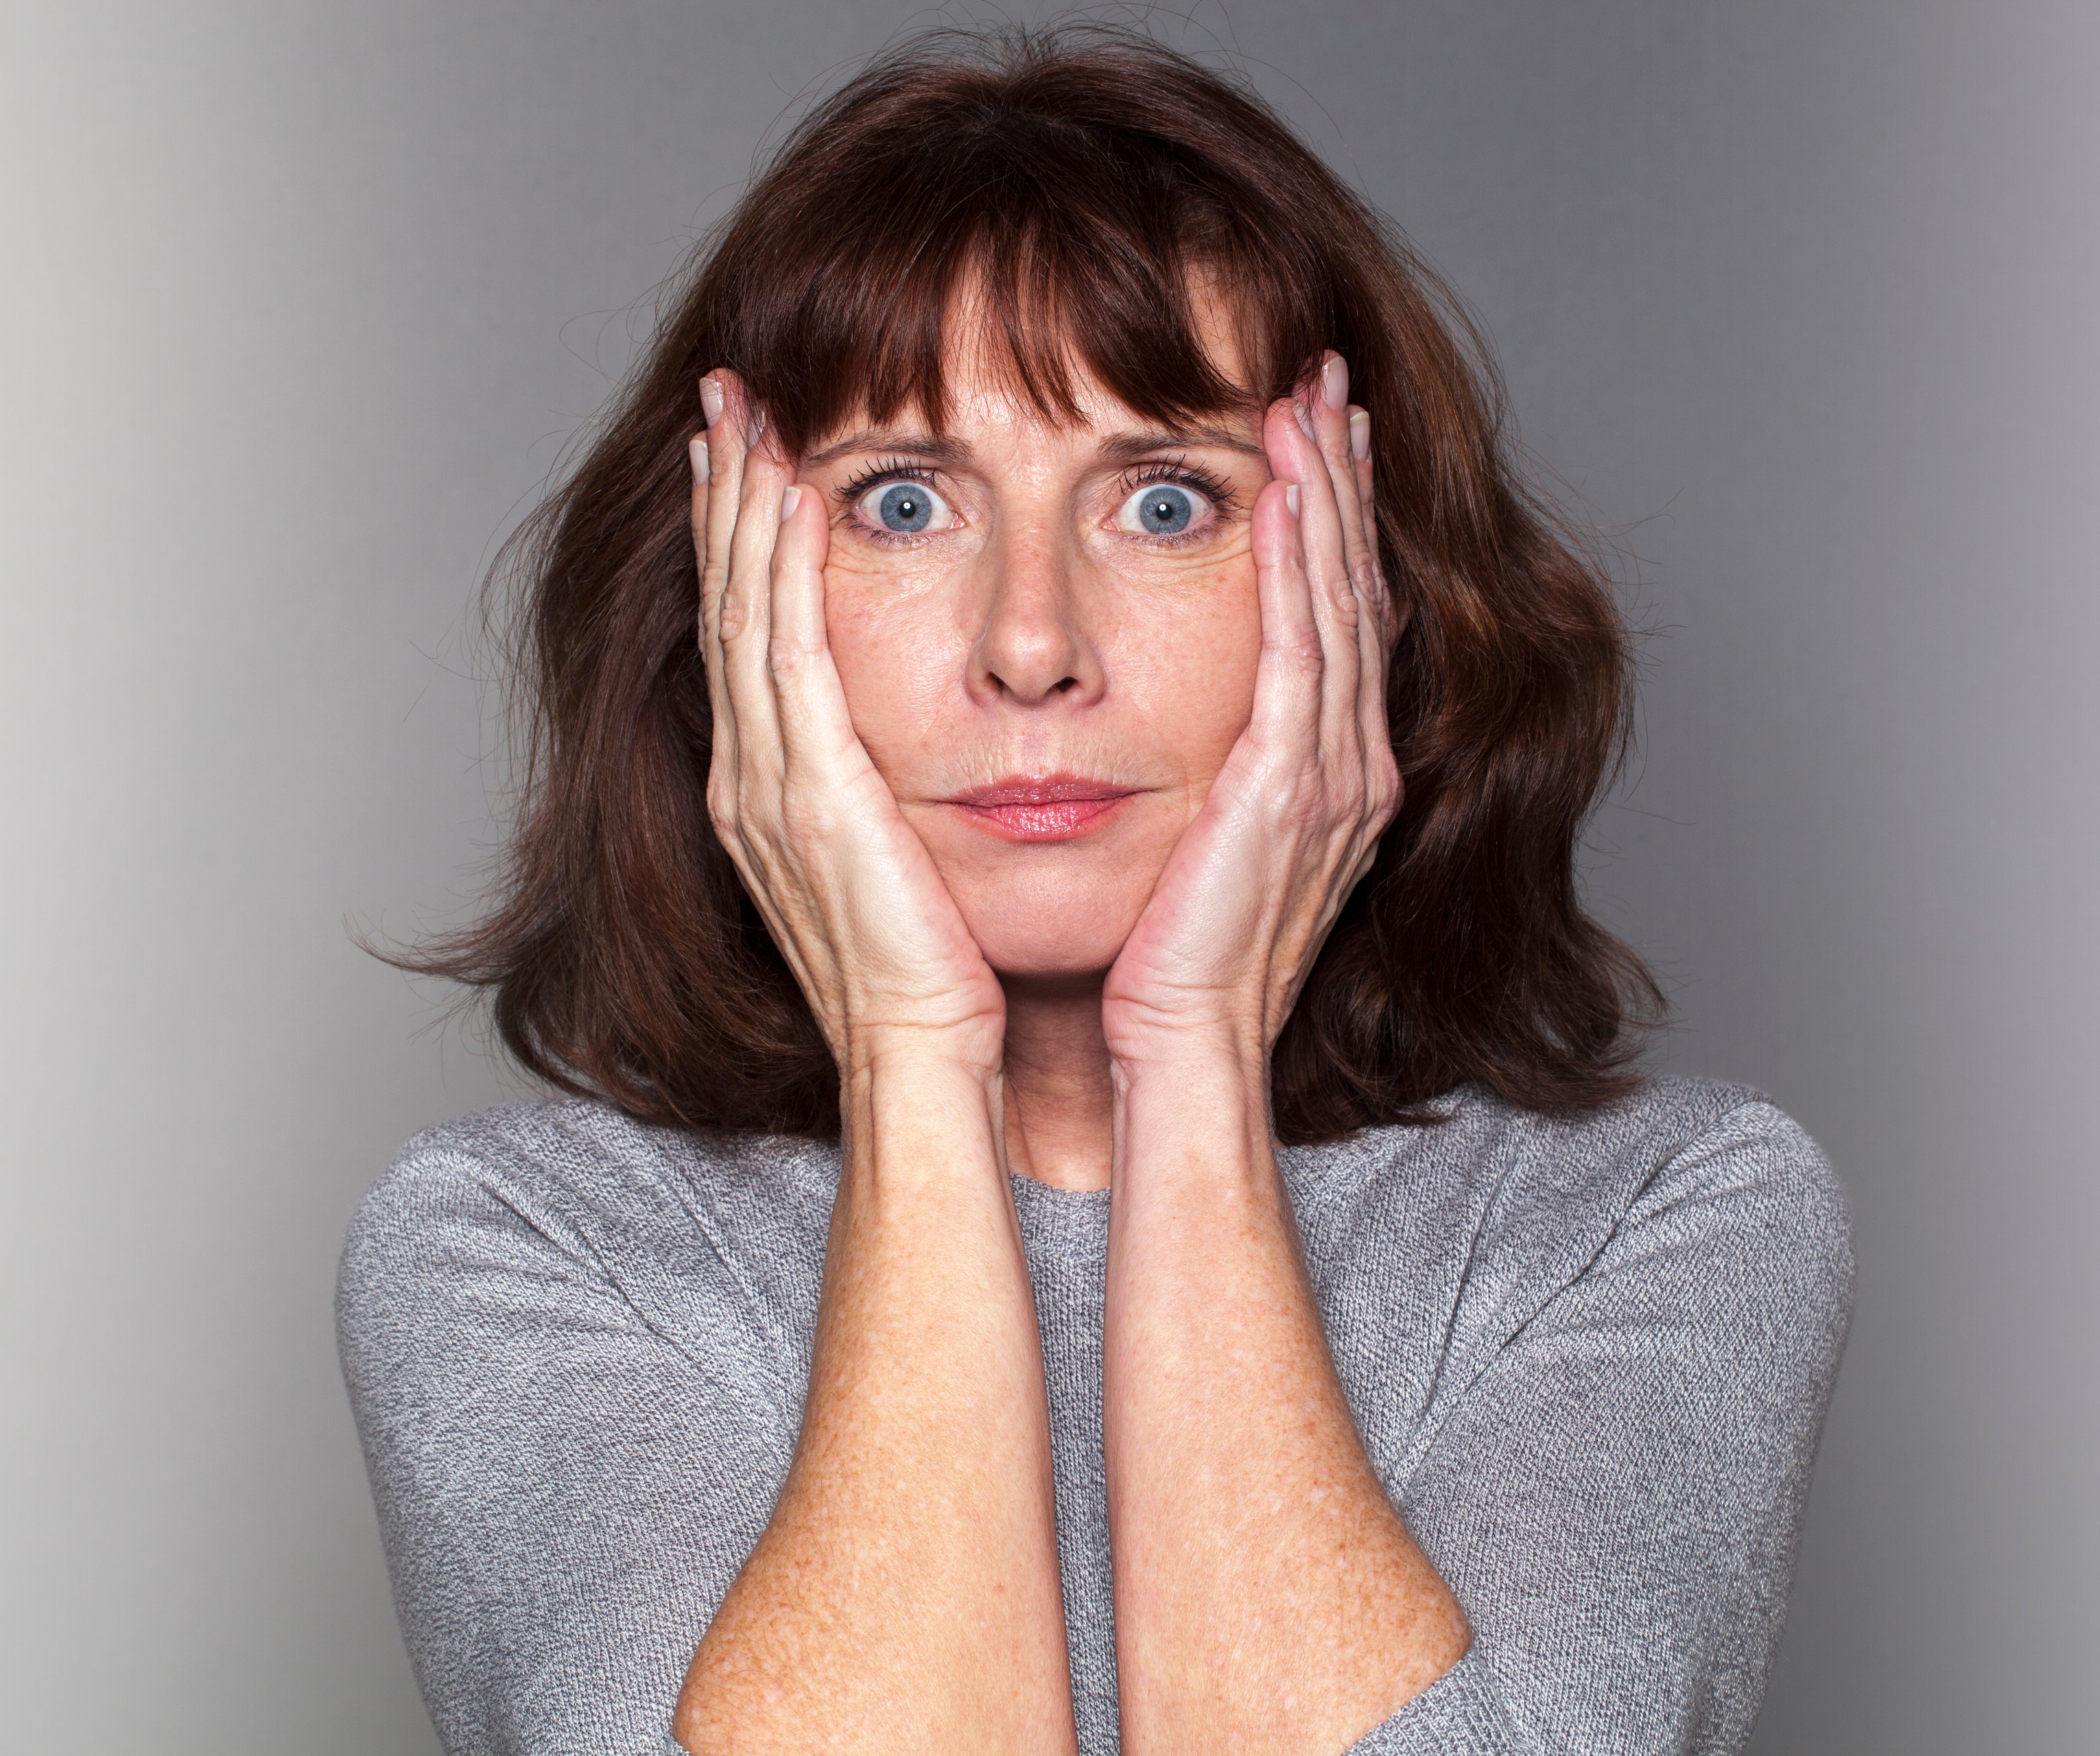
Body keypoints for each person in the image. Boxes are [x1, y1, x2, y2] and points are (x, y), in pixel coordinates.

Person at [338, 24, 1852, 1756]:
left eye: (1163, 496)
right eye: (902, 502)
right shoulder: (521, 1250)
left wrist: (1193, 1051)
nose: (1033, 642)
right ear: (723, 606)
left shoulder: (1656, 1219)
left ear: (1380, 582)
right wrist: (913, 1052)